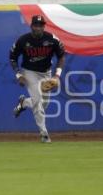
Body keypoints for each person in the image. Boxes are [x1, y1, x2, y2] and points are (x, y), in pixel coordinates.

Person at [9, 15, 65, 143]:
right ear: (31, 26)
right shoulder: (23, 41)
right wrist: (19, 74)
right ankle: (44, 133)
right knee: (38, 101)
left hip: (46, 73)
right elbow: (12, 57)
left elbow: (61, 56)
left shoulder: (52, 39)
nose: (38, 28)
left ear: (44, 26)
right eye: (36, 25)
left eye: (41, 25)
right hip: (30, 72)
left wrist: (57, 75)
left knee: (44, 104)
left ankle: (24, 103)